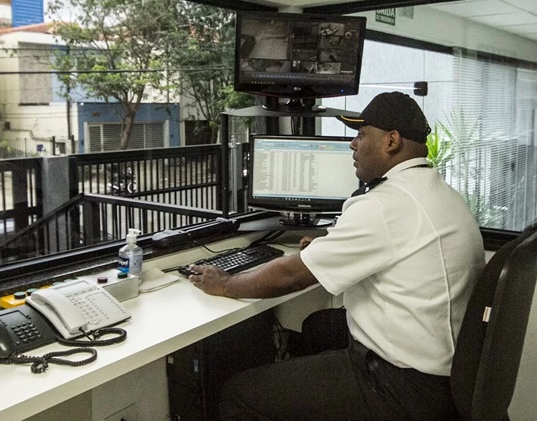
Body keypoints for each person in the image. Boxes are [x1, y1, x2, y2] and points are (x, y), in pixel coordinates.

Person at [187, 91, 485, 420]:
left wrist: (228, 283)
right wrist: (330, 247)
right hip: (448, 372)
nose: (353, 145)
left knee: (238, 394)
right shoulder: (438, 192)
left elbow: (292, 275)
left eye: (360, 135)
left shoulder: (383, 204)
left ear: (391, 141)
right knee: (319, 326)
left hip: (403, 386)